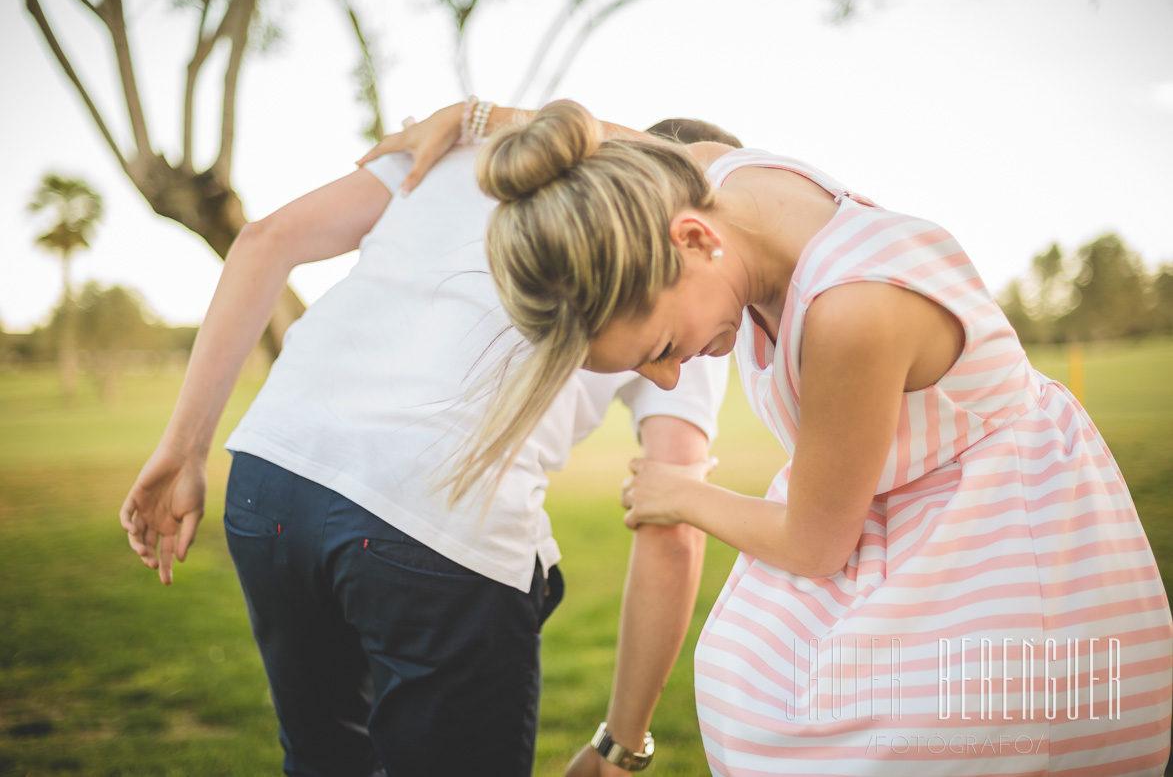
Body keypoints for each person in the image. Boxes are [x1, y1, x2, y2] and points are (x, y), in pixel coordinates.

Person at [383, 98, 1172, 775]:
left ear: (692, 239)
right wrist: (477, 119)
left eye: (659, 349)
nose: (665, 380)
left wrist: (679, 493)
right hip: (896, 514)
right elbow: (591, 146)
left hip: (996, 539)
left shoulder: (852, 309)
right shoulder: (697, 179)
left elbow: (811, 545)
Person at [119, 121, 736, 775]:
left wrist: (186, 448)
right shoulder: (691, 287)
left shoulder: (477, 152)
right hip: (438, 529)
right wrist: (620, 745)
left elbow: (265, 238)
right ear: (695, 215)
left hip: (271, 475)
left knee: (322, 762)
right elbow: (672, 529)